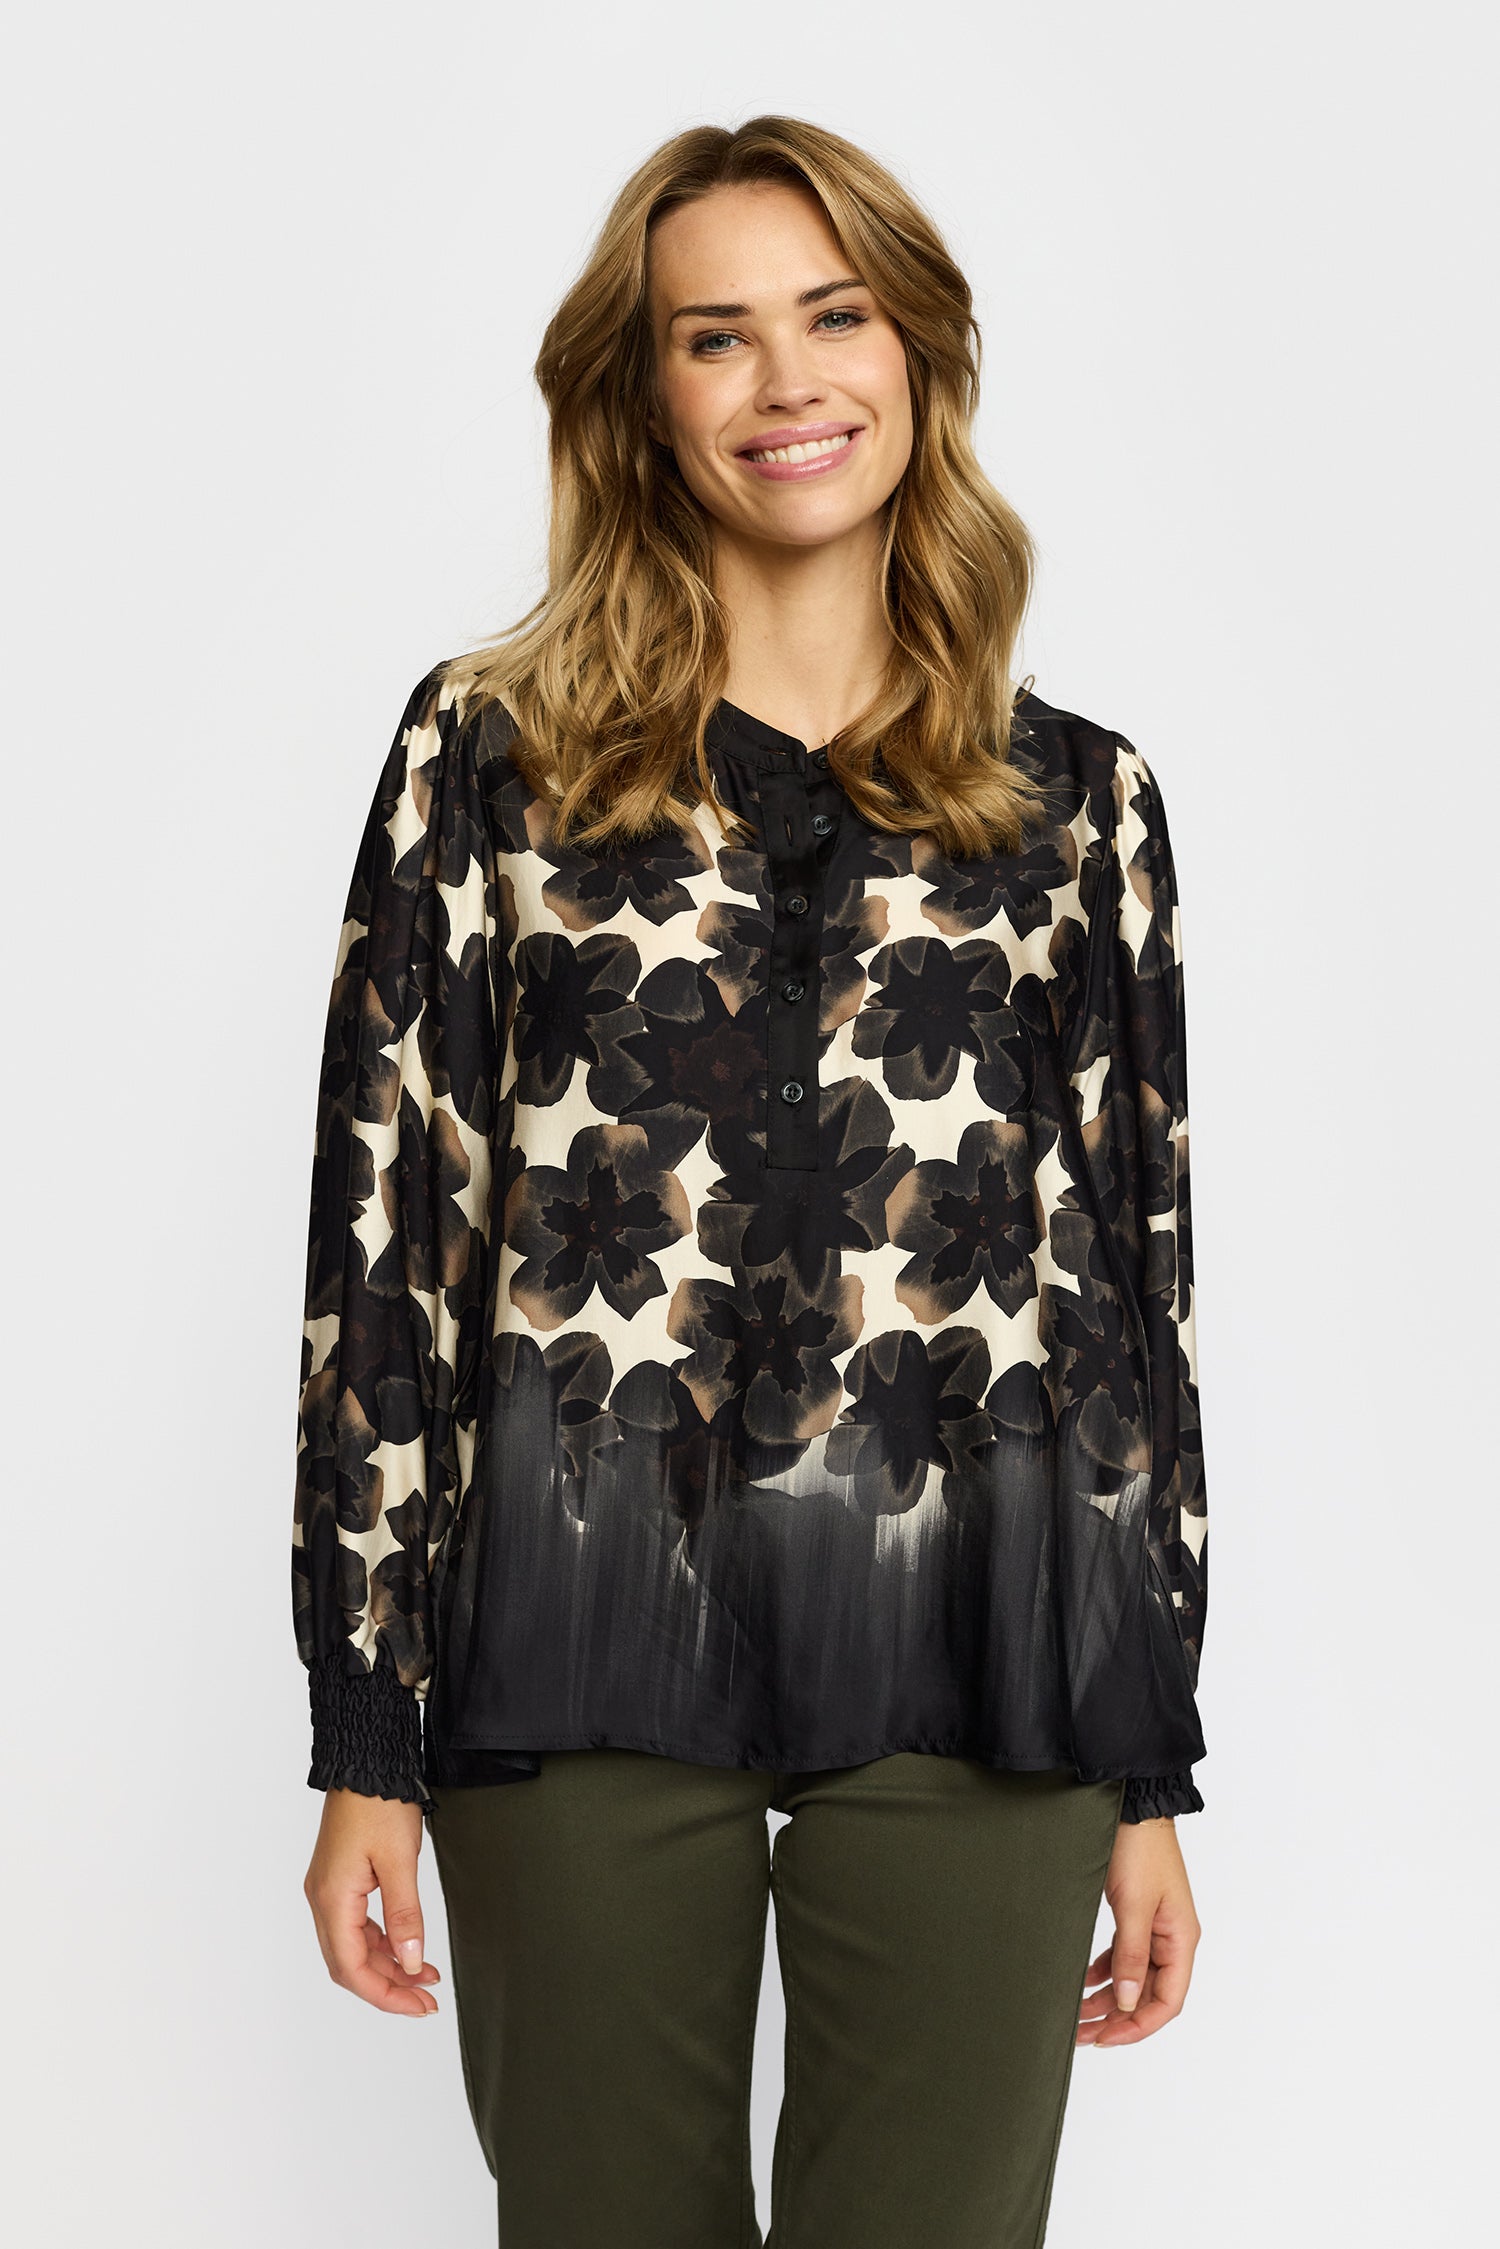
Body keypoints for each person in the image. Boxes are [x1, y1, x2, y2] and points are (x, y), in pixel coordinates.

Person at [294, 113, 1209, 2249]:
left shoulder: (1079, 806)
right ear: (643, 396)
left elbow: (1134, 1292)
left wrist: (1150, 1754)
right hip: (580, 1627)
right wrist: (363, 1718)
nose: (787, 380)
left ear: (921, 354)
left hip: (986, 1642)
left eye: (835, 316)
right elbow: (389, 1237)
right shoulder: (489, 758)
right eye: (716, 336)